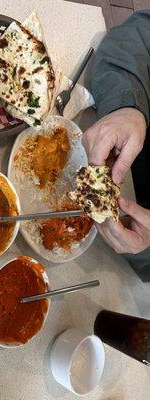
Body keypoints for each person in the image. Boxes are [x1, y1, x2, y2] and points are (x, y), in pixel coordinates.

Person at [83, 10, 150, 282]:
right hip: (108, 140)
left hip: (119, 267)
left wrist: (147, 250)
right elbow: (140, 38)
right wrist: (126, 106)